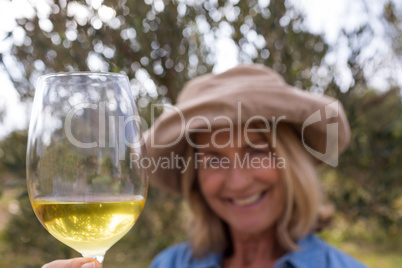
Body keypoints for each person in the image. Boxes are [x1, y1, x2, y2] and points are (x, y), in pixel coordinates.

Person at [42, 64, 367, 268]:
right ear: (194, 178)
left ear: (292, 165)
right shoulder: (169, 264)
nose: (238, 182)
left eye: (256, 151)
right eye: (213, 159)